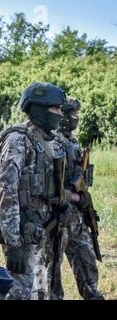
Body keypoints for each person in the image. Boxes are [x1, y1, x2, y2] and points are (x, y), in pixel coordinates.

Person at [0, 82, 70, 300]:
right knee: (20, 293)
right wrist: (13, 243)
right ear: (39, 109)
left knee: (41, 291)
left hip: (44, 231)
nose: (61, 114)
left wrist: (61, 207)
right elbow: (5, 192)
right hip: (23, 234)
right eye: (56, 109)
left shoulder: (50, 142)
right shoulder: (18, 140)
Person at [51, 96, 105, 300]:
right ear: (62, 116)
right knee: (53, 272)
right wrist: (74, 195)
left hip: (78, 219)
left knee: (87, 262)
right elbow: (53, 186)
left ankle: (92, 294)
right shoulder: (54, 142)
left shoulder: (73, 142)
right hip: (59, 219)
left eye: (76, 113)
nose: (76, 117)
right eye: (71, 113)